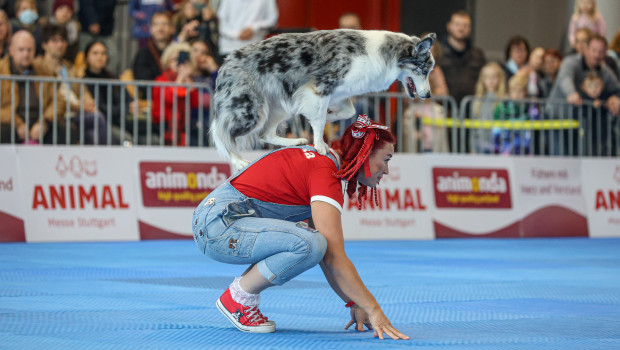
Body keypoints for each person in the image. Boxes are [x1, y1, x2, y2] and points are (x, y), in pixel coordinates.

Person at [192, 114, 409, 339]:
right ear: (364, 155)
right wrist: (375, 311)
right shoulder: (324, 172)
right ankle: (239, 297)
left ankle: (240, 294)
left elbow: (329, 257)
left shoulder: (321, 163)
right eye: (386, 159)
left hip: (216, 221)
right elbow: (334, 258)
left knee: (315, 242)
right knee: (309, 244)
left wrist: (354, 302)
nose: (386, 170)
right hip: (217, 227)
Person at [34, 24, 110, 145]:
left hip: (77, 113)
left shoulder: (69, 68)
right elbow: (55, 98)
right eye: (54, 41)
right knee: (97, 119)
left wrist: (89, 103)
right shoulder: (39, 67)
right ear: (44, 44)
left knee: (91, 134)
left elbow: (83, 90)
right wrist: (81, 106)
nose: (60, 45)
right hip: (60, 113)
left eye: (63, 41)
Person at [548, 34, 620, 156]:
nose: (597, 55)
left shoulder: (603, 70)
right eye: (594, 50)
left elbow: (616, 88)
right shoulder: (571, 62)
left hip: (581, 120)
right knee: (560, 155)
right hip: (558, 118)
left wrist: (615, 98)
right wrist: (571, 93)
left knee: (580, 155)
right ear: (586, 49)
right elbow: (565, 79)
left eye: (601, 52)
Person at [0, 30, 75, 144]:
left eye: (29, 50)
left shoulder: (44, 70)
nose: (26, 54)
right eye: (21, 50)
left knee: (68, 130)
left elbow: (59, 100)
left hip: (39, 120)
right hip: (11, 121)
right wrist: (17, 123)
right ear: (11, 50)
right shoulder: (2, 70)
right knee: (4, 132)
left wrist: (44, 122)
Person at [152, 41, 200, 146]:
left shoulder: (189, 81)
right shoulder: (161, 80)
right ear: (167, 61)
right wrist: (179, 79)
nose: (179, 63)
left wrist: (187, 79)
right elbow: (170, 100)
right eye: (175, 60)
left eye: (183, 60)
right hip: (163, 125)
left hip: (185, 126)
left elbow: (195, 103)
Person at [437, 10, 486, 105]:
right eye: (457, 24)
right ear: (449, 26)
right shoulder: (438, 54)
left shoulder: (477, 55)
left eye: (465, 25)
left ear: (470, 28)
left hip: (471, 111)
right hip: (443, 111)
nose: (461, 28)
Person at [132, 11, 173, 96]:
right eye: (156, 24)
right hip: (152, 101)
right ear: (150, 29)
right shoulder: (142, 55)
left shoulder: (177, 52)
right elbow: (143, 85)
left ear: (171, 28)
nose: (160, 28)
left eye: (164, 24)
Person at [471, 62, 506, 154]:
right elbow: (473, 128)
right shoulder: (477, 101)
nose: (490, 81)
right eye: (486, 77)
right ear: (482, 79)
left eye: (494, 77)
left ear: (500, 78)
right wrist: (473, 148)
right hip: (480, 146)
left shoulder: (504, 100)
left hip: (498, 147)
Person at [188, 37, 217, 146]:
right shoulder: (181, 73)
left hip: (207, 123)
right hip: (188, 122)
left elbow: (226, 88)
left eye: (204, 52)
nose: (199, 55)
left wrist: (213, 69)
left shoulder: (209, 78)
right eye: (195, 50)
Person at [77, 0, 118, 74]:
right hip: (87, 28)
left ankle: (107, 79)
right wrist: (92, 20)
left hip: (105, 29)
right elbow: (86, 4)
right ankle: (82, 79)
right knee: (83, 57)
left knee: (112, 55)